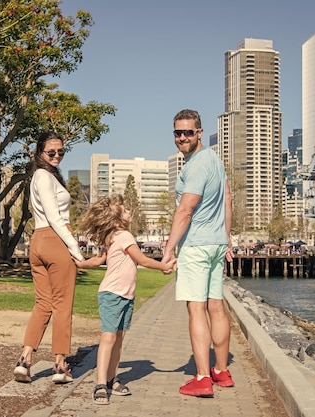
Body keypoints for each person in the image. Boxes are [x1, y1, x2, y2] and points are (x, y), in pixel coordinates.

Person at [161, 109, 235, 398]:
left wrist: (168, 250)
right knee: (215, 306)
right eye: (178, 133)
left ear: (199, 133)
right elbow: (228, 199)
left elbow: (185, 210)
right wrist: (227, 238)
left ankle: (203, 378)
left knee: (196, 309)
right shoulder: (216, 161)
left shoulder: (195, 166)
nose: (182, 138)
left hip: (196, 246)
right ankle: (221, 371)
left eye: (188, 132)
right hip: (216, 244)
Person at [74, 194, 175, 405]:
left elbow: (98, 260)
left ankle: (111, 378)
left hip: (126, 295)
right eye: (125, 209)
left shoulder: (114, 237)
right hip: (112, 294)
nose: (129, 211)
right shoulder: (123, 236)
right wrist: (164, 266)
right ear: (118, 217)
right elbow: (142, 260)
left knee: (119, 339)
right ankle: (100, 383)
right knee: (109, 338)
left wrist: (82, 264)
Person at [14, 131, 85, 385]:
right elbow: (55, 217)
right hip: (55, 238)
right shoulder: (43, 176)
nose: (56, 156)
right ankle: (59, 365)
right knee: (62, 305)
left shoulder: (42, 176)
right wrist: (76, 249)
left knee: (43, 303)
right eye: (51, 152)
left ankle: (24, 359)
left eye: (61, 152)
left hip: (38, 241)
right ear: (39, 153)